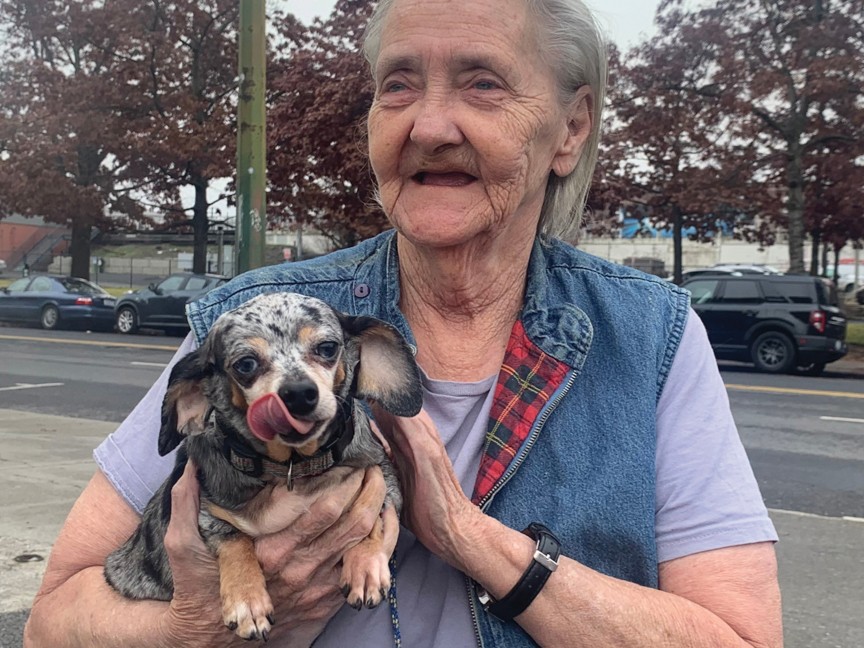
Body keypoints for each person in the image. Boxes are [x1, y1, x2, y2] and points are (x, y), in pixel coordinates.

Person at [24, 0, 783, 646]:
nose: (429, 125)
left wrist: (468, 538)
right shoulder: (245, 328)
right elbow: (51, 622)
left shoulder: (651, 338)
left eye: (482, 83)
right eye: (399, 85)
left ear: (571, 128)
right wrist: (193, 627)